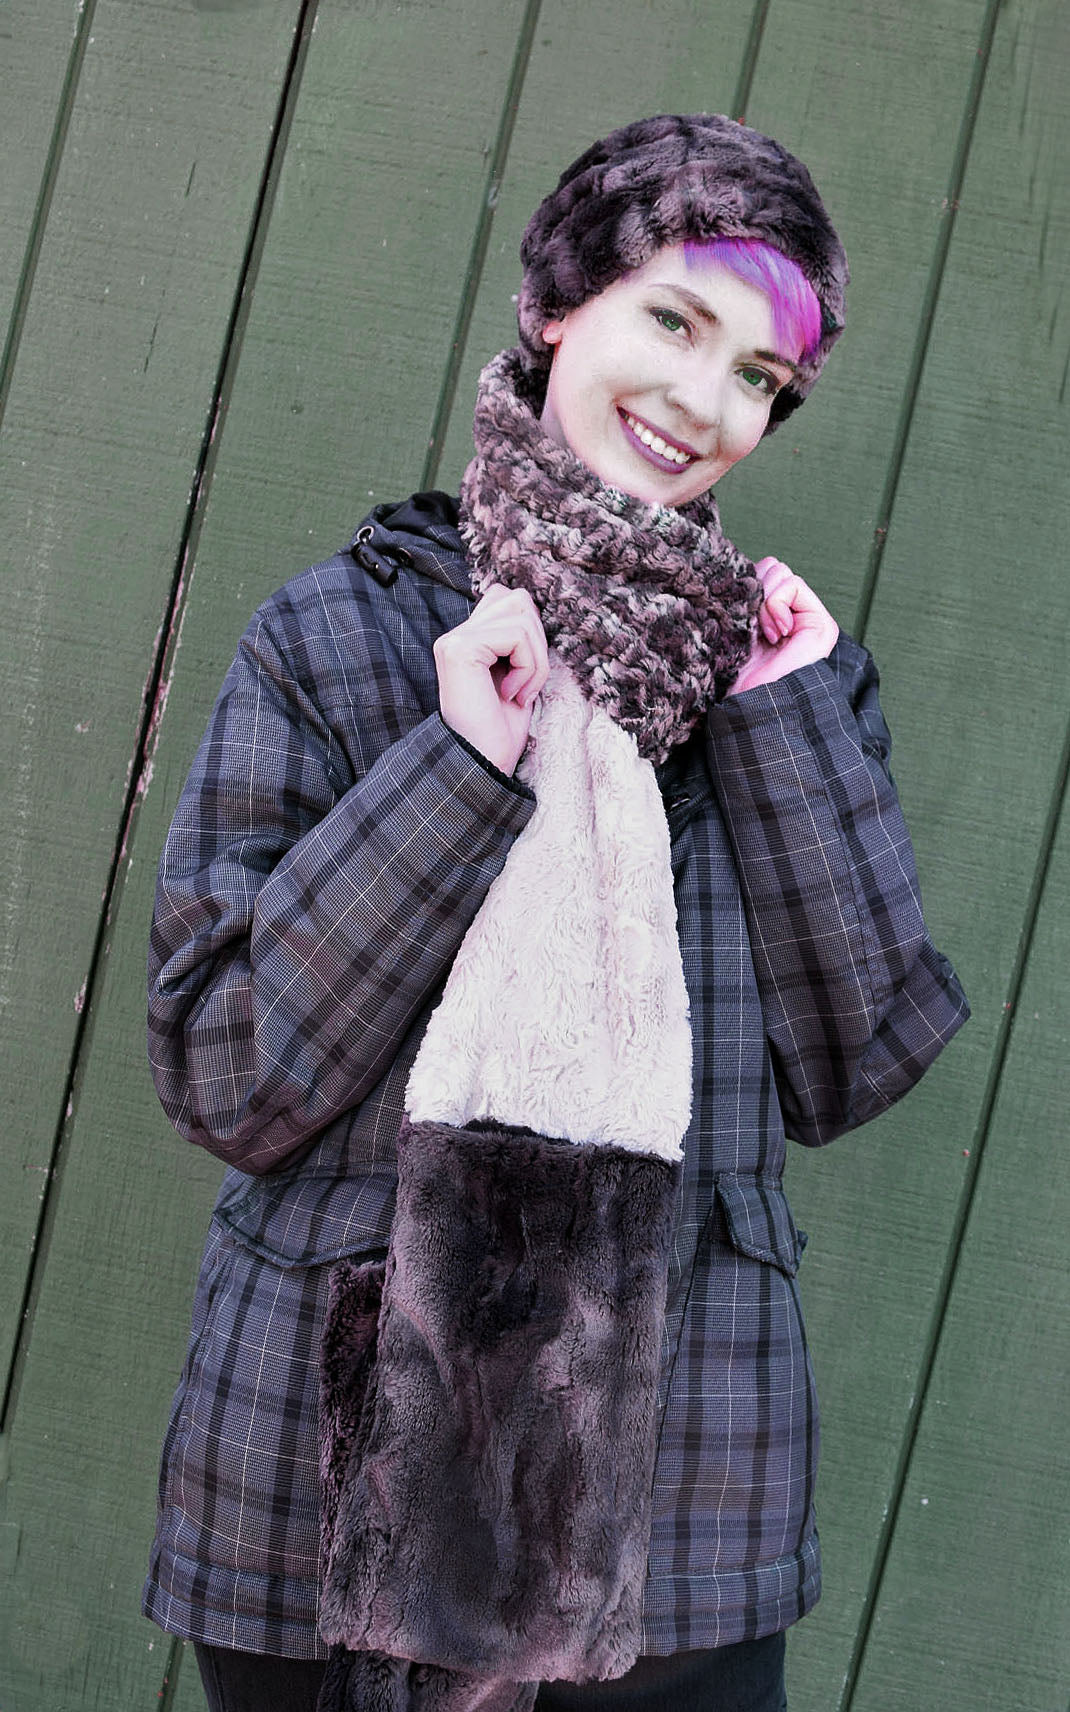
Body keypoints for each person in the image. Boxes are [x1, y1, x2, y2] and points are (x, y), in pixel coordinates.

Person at [142, 115, 968, 1712]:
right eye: (673, 319)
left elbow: (851, 1061)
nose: (703, 403)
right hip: (333, 1478)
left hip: (679, 1504)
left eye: (759, 379)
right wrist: (455, 767)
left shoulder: (790, 678)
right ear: (553, 307)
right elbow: (226, 1070)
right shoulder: (341, 638)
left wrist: (783, 719)